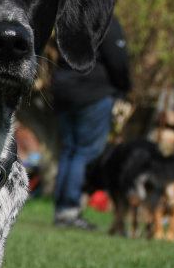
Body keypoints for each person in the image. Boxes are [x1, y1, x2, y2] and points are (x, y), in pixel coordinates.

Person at [52, 16, 131, 229]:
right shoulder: (105, 21)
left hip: (63, 90)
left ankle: (61, 209)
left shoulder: (69, 21)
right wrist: (124, 87)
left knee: (69, 150)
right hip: (93, 92)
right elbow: (118, 58)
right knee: (84, 152)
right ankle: (69, 210)